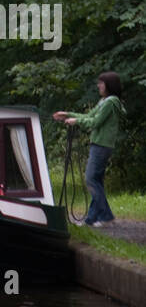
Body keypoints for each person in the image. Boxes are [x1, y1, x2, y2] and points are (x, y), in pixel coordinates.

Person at [53, 72, 124, 227]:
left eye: (101, 83)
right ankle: (91, 219)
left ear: (109, 85)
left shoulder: (111, 102)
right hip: (99, 144)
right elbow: (89, 115)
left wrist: (76, 121)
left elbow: (95, 122)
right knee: (96, 181)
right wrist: (68, 115)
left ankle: (106, 216)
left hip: (101, 145)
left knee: (91, 179)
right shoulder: (104, 101)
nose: (98, 86)